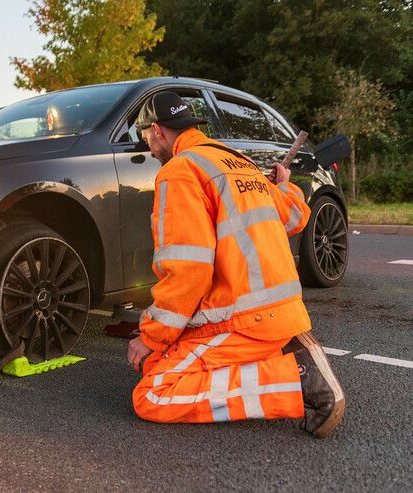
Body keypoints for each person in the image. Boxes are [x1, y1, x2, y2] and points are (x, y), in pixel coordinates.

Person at [128, 92, 345, 438]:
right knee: (155, 363)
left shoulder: (180, 171)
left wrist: (151, 336)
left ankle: (296, 379)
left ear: (157, 130)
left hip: (244, 318)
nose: (150, 150)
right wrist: (285, 186)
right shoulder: (237, 162)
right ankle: (282, 349)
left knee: (154, 392)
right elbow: (293, 217)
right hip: (280, 311)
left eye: (146, 140)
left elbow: (189, 270)